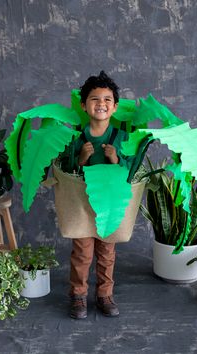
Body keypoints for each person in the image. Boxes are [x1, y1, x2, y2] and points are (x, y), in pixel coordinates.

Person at [69, 71, 133, 320]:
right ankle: (78, 295)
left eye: (107, 100)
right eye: (95, 99)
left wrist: (116, 159)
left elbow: (131, 168)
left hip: (109, 205)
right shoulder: (77, 137)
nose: (101, 104)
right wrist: (82, 158)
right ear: (84, 105)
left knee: (107, 252)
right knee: (82, 251)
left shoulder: (121, 137)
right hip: (82, 204)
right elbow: (68, 171)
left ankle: (105, 294)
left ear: (115, 107)